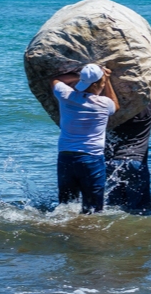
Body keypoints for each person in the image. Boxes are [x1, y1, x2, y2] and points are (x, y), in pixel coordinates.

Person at [51, 63, 120, 213]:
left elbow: (56, 80)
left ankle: (67, 232)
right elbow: (115, 106)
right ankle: (89, 234)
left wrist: (82, 76)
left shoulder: (66, 95)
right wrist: (107, 80)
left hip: (66, 157)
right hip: (91, 159)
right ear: (99, 83)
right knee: (94, 209)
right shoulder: (103, 104)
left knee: (66, 206)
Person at [105, 73, 151, 211]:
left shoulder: (112, 109)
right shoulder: (149, 106)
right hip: (135, 162)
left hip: (111, 163)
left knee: (113, 207)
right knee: (139, 209)